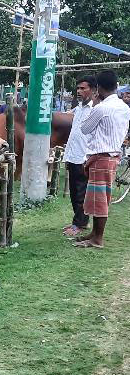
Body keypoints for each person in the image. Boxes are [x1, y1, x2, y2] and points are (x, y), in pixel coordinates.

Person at [74, 70, 130, 248]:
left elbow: (85, 129)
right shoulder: (124, 107)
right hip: (112, 156)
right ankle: (94, 234)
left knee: (99, 200)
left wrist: (96, 103)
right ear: (116, 85)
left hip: (101, 157)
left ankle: (98, 239)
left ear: (98, 88)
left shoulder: (101, 108)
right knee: (100, 198)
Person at [62, 75, 97, 238]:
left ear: (93, 90)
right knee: (74, 192)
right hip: (73, 155)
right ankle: (79, 221)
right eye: (78, 88)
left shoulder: (95, 109)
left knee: (81, 192)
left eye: (83, 88)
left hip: (83, 157)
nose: (79, 91)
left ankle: (79, 224)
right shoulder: (79, 108)